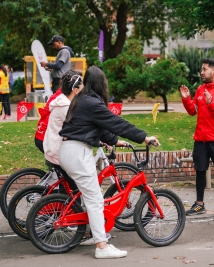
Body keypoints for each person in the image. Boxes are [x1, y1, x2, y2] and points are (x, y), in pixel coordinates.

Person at [58, 66, 159, 259]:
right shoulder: (93, 103)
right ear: (100, 84)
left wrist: (114, 140)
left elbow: (100, 127)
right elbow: (117, 123)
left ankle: (90, 233)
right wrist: (144, 137)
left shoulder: (82, 99)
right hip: (78, 152)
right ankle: (102, 246)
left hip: (69, 150)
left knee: (90, 196)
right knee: (95, 200)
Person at [179, 58, 214, 218]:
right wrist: (186, 98)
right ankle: (199, 204)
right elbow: (193, 111)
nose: (201, 72)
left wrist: (211, 103)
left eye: (204, 69)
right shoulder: (201, 89)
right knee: (200, 171)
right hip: (201, 140)